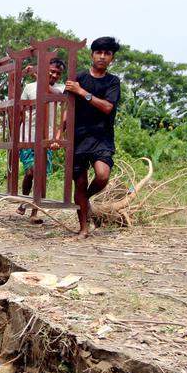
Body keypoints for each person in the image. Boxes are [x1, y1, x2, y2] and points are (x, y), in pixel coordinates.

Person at [55, 36, 122, 238]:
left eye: (107, 53)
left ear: (112, 58)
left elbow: (107, 107)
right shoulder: (79, 77)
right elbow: (68, 109)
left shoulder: (112, 82)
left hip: (102, 137)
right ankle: (83, 228)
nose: (102, 57)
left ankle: (85, 198)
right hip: (77, 138)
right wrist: (59, 134)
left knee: (102, 175)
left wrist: (82, 92)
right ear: (92, 55)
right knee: (80, 183)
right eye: (98, 52)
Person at [16, 58, 65, 224]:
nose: (54, 75)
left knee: (41, 174)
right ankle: (25, 200)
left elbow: (56, 94)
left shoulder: (59, 89)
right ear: (45, 69)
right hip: (27, 137)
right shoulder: (29, 88)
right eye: (51, 71)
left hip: (46, 138)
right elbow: (21, 111)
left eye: (57, 73)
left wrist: (38, 76)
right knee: (31, 172)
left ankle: (34, 213)